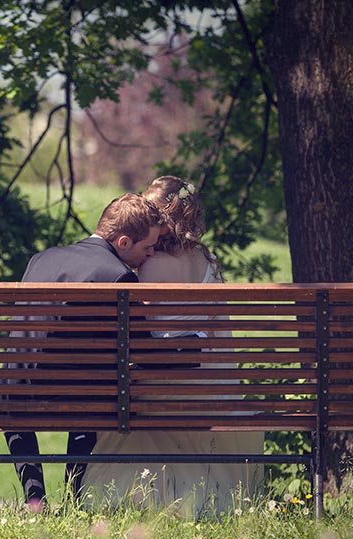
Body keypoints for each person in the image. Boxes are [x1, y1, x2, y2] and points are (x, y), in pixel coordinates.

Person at [81, 175, 264, 514]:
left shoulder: (151, 265)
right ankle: (210, 502)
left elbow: (141, 336)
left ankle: (139, 500)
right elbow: (221, 333)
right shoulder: (208, 262)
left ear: (164, 218)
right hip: (212, 388)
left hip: (167, 386)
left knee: (121, 397)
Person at [1, 193, 163, 509]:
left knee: (27, 393)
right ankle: (75, 498)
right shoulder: (117, 276)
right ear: (124, 241)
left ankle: (35, 499)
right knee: (96, 386)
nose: (152, 253)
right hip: (79, 396)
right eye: (148, 247)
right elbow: (144, 346)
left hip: (15, 394)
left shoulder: (41, 259)